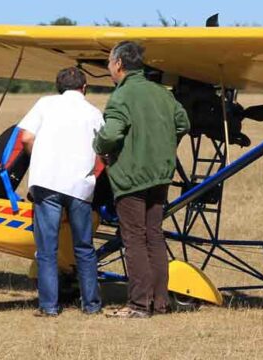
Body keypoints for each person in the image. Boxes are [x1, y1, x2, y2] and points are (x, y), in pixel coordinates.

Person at [94, 41, 190, 318]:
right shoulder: (162, 93)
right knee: (154, 236)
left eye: (109, 63)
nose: (109, 68)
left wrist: (98, 145)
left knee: (133, 238)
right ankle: (160, 303)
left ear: (120, 64)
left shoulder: (121, 96)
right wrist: (164, 145)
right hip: (160, 175)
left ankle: (138, 305)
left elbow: (110, 135)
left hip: (132, 177)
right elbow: (183, 123)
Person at [19, 67, 104, 317]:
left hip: (46, 184)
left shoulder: (45, 104)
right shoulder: (93, 112)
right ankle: (91, 305)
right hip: (80, 186)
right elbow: (101, 148)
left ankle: (49, 306)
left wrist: (40, 158)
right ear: (84, 87)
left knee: (47, 249)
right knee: (84, 247)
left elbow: (25, 137)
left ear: (58, 86)